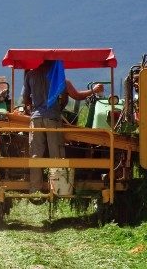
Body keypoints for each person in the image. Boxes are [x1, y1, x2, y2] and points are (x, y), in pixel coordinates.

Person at [21, 60, 104, 192]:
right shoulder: (60, 79)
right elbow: (77, 96)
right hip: (53, 119)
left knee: (36, 154)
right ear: (54, 64)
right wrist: (93, 90)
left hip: (36, 119)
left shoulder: (30, 75)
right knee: (56, 154)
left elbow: (25, 99)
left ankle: (35, 188)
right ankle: (58, 189)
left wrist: (35, 106)